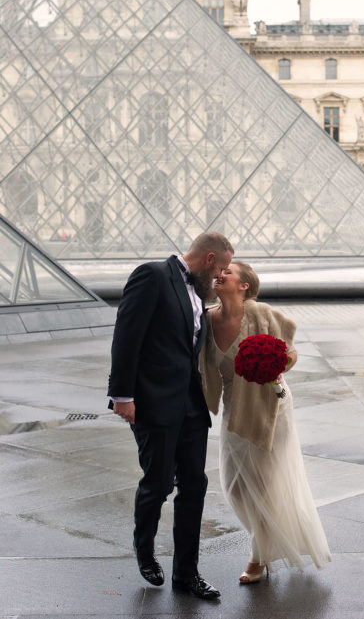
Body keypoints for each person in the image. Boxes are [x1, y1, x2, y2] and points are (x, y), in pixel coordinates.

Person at [108, 232, 234, 600]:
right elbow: (126, 335)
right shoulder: (152, 275)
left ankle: (187, 573)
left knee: (194, 485)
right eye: (221, 269)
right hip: (153, 403)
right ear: (209, 258)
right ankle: (144, 549)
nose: (220, 277)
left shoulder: (198, 291)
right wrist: (122, 395)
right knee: (159, 482)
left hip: (191, 404)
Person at [201, 261, 331, 583]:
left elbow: (291, 353)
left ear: (244, 285)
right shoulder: (206, 319)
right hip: (235, 405)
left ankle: (258, 558)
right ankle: (274, 539)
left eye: (228, 272)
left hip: (272, 404)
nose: (220, 274)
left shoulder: (264, 315)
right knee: (235, 486)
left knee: (265, 484)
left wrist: (279, 360)